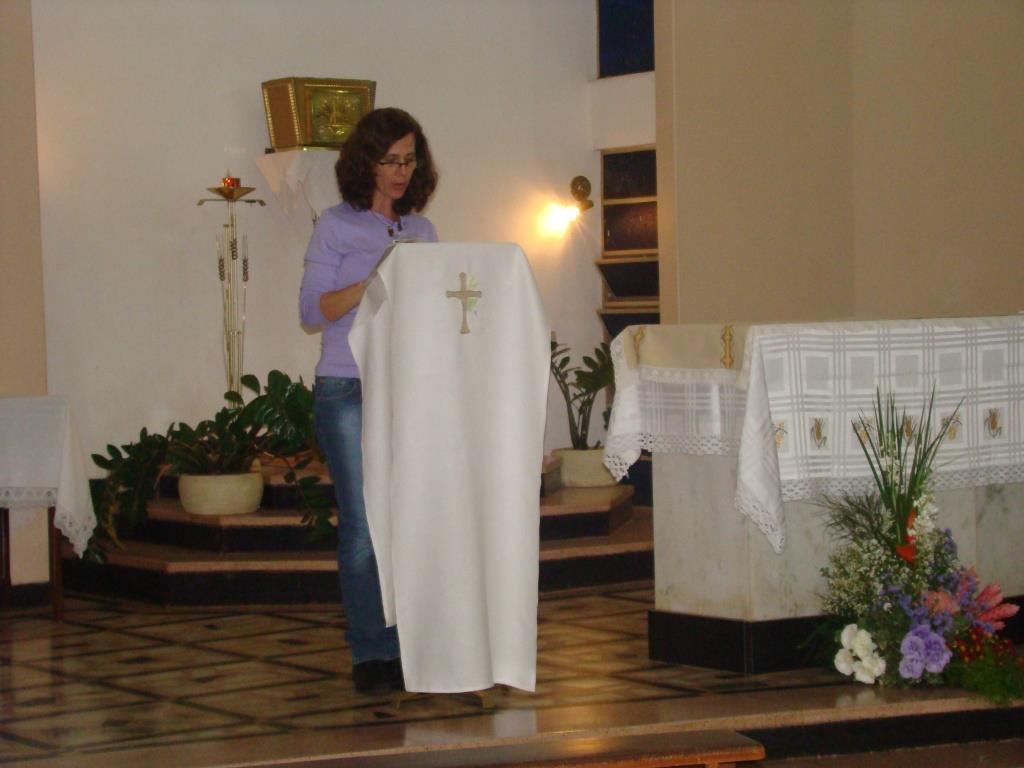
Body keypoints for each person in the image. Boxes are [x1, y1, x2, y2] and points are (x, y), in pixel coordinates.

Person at [299, 108, 439, 693]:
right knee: (362, 526)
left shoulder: (422, 231)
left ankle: (408, 644)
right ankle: (370, 652)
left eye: (409, 160)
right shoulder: (336, 225)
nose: (401, 172)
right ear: (367, 163)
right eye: (390, 161)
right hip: (348, 386)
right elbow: (311, 311)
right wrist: (371, 283)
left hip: (406, 387)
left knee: (406, 520)